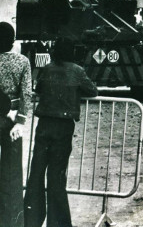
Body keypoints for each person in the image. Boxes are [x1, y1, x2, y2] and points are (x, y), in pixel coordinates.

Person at [24, 37, 97, 227]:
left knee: (36, 172)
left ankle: (31, 219)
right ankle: (58, 223)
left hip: (44, 124)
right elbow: (92, 91)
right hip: (63, 126)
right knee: (56, 175)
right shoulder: (77, 71)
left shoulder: (47, 68)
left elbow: (38, 88)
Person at [0, 21, 32, 227]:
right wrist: (20, 120)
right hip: (12, 123)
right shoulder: (22, 62)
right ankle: (11, 222)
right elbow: (26, 94)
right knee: (11, 174)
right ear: (13, 42)